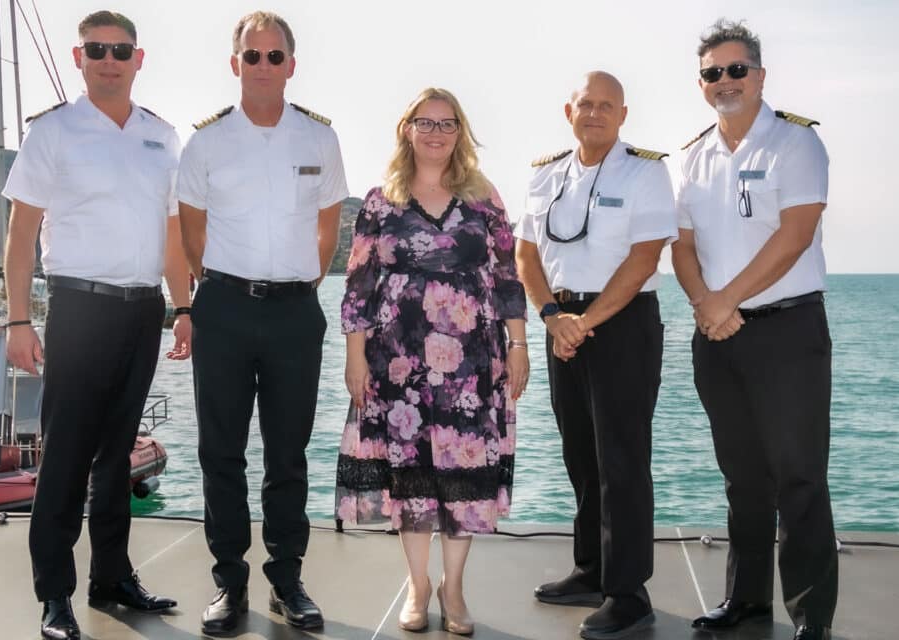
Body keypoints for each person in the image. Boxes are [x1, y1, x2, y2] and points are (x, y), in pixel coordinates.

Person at [3, 10, 191, 640]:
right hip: (77, 308)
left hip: (142, 311)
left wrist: (183, 306)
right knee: (65, 457)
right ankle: (53, 595)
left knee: (117, 457)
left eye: (121, 50)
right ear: (79, 56)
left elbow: (171, 236)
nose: (109, 59)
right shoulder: (54, 133)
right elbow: (21, 234)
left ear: (139, 59)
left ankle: (111, 577)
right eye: (97, 49)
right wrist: (18, 319)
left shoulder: (162, 137)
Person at [176, 11, 348, 634]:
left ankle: (287, 579)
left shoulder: (319, 139)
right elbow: (190, 231)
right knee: (220, 453)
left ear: (292, 65)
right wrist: (216, 286)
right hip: (223, 307)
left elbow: (329, 224)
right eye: (253, 56)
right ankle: (229, 583)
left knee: (288, 453)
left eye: (276, 57)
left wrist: (305, 278)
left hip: (295, 313)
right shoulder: (206, 141)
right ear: (235, 64)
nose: (264, 67)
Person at [335, 87, 528, 635]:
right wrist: (356, 359)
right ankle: (419, 587)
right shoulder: (380, 200)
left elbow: (507, 277)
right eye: (426, 122)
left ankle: (455, 588)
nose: (437, 132)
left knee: (465, 472)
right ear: (407, 129)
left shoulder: (484, 197)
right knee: (413, 476)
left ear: (460, 132)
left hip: (472, 363)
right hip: (398, 364)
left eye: (448, 124)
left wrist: (519, 345)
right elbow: (359, 285)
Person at [673, 20, 837, 640]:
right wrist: (704, 304)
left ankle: (810, 619)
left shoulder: (796, 144)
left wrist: (726, 300)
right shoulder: (690, 157)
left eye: (736, 70)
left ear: (760, 76)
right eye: (713, 73)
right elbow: (682, 246)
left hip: (787, 332)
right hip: (717, 336)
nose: (725, 82)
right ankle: (745, 601)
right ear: (702, 84)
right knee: (743, 477)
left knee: (798, 476)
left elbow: (795, 234)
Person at [514, 71, 676, 640]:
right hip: (562, 325)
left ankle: (629, 594)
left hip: (623, 324)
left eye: (607, 106)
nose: (595, 114)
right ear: (569, 111)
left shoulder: (647, 171)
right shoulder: (544, 174)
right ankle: (592, 570)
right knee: (581, 453)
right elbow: (526, 255)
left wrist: (587, 320)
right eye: (586, 104)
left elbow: (644, 257)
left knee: (623, 461)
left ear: (623, 115)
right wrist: (552, 316)